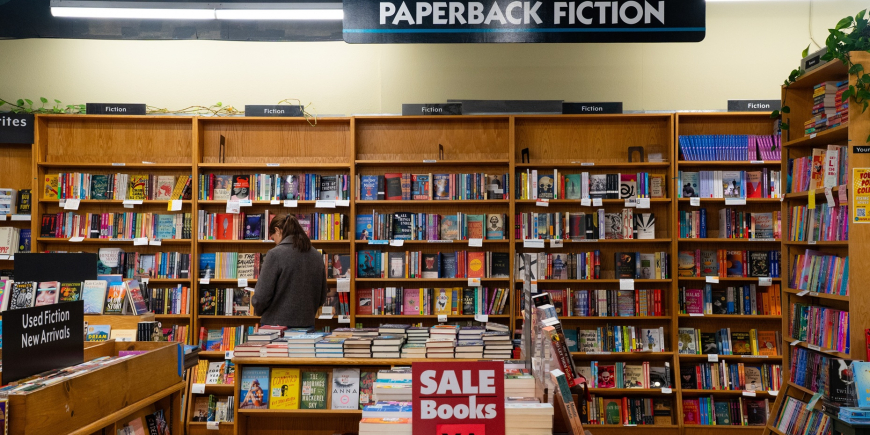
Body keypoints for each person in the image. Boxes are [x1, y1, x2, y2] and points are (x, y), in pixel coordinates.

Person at [252, 214, 327, 328]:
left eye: (273, 238)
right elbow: (322, 297)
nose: (275, 243)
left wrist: (258, 309)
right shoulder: (316, 255)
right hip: (306, 325)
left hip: (275, 327)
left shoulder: (275, 254)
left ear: (277, 230)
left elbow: (261, 297)